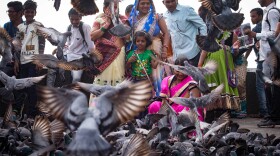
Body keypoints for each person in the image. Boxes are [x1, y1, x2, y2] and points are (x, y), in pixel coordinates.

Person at [197, 6, 240, 123]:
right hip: (219, 63)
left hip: (220, 62)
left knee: (219, 88)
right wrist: (200, 65)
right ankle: (217, 119)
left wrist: (236, 49)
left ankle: (218, 119)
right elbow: (205, 50)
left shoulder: (225, 32)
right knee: (217, 88)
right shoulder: (220, 32)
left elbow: (234, 51)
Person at [245, 0, 280, 127]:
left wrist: (257, 35)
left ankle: (273, 117)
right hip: (267, 54)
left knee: (272, 87)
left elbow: (275, 33)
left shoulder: (272, 13)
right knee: (269, 86)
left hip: (271, 55)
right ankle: (272, 116)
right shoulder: (268, 12)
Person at [128, 0, 170, 96]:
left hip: (155, 49)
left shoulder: (156, 17)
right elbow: (129, 38)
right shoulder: (132, 19)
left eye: (148, 3)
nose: (145, 6)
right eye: (142, 3)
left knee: (156, 75)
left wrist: (164, 49)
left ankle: (157, 102)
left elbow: (166, 33)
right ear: (137, 5)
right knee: (141, 74)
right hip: (139, 51)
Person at [14, 0, 45, 118]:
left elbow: (42, 42)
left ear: (35, 13)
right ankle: (17, 112)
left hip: (33, 61)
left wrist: (40, 60)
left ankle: (31, 113)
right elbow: (17, 45)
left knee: (32, 87)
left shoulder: (38, 25)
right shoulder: (20, 27)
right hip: (22, 61)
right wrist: (16, 60)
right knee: (20, 86)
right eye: (27, 12)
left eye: (32, 12)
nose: (29, 14)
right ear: (23, 12)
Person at [90, 1, 127, 86]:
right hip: (102, 55)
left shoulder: (123, 19)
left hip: (119, 54)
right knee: (101, 81)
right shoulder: (99, 19)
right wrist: (106, 25)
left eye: (115, 7)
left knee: (118, 83)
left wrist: (117, 22)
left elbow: (128, 37)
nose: (114, 10)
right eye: (111, 7)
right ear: (105, 8)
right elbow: (92, 36)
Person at [162, 0, 207, 66]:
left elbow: (202, 25)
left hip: (192, 53)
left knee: (194, 76)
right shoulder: (165, 15)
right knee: (181, 76)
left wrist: (203, 43)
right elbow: (169, 34)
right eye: (168, 2)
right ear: (163, 3)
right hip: (177, 56)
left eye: (173, 1)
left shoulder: (187, 10)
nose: (171, 4)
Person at [245, 8, 269, 118]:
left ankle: (264, 112)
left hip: (262, 60)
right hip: (270, 60)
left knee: (260, 86)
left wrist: (245, 58)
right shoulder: (268, 27)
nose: (251, 18)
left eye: (253, 16)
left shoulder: (256, 28)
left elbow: (249, 45)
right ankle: (271, 111)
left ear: (260, 16)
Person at [63, 8, 94, 83]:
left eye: (76, 19)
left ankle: (74, 94)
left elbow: (91, 45)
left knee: (76, 78)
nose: (74, 22)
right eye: (72, 19)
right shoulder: (68, 27)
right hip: (69, 55)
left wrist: (90, 60)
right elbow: (69, 43)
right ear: (69, 18)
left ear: (81, 17)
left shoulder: (85, 27)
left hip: (79, 58)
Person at [3, 1, 23, 76]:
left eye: (11, 12)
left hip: (23, 59)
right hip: (9, 60)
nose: (9, 14)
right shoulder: (6, 26)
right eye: (8, 11)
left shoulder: (26, 27)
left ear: (20, 13)